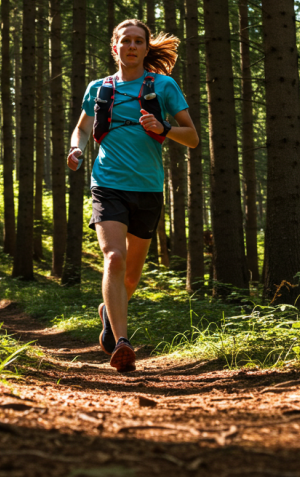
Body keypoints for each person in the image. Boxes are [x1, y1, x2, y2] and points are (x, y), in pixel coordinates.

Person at [67, 19, 200, 373]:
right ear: (115, 47)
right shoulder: (99, 88)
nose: (132, 46)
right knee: (114, 257)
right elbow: (81, 128)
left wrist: (165, 128)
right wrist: (76, 150)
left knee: (131, 276)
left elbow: (193, 137)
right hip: (107, 184)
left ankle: (108, 314)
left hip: (148, 188)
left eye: (138, 41)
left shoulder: (164, 86)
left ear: (145, 48)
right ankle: (123, 342)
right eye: (125, 41)